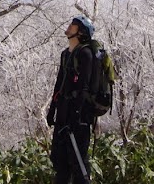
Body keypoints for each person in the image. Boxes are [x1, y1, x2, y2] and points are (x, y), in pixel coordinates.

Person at [47, 15, 95, 184]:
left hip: (78, 120)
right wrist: (52, 110)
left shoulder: (86, 54)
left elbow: (84, 87)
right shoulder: (64, 55)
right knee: (59, 162)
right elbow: (58, 84)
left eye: (74, 25)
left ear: (81, 32)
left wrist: (75, 114)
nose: (69, 26)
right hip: (62, 116)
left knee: (78, 163)